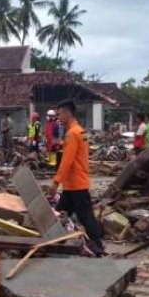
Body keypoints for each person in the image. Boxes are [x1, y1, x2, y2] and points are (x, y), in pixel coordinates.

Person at [48, 100, 105, 255]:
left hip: (76, 185)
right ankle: (53, 243)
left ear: (67, 113)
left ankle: (98, 247)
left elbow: (67, 161)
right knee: (59, 213)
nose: (58, 117)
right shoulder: (80, 131)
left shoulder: (72, 134)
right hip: (74, 184)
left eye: (59, 114)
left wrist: (55, 182)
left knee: (86, 218)